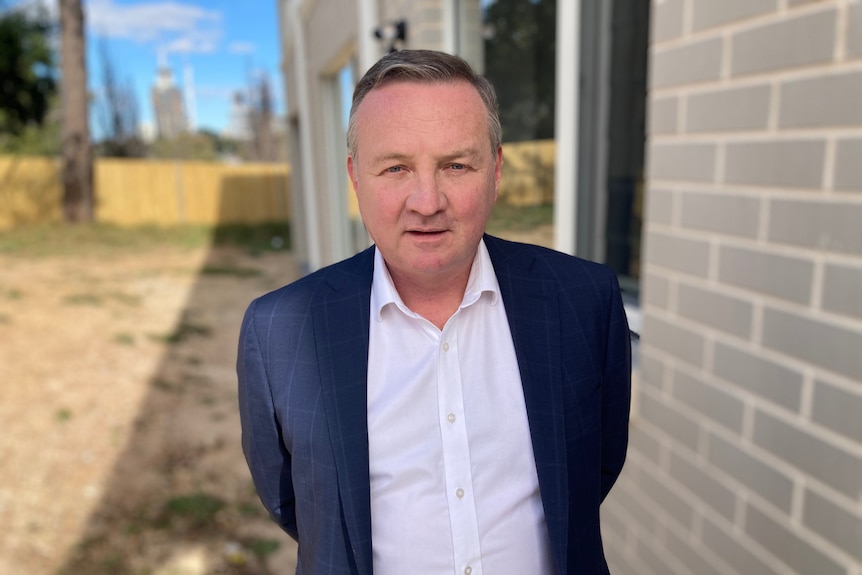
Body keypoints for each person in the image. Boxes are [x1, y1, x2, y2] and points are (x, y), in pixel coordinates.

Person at [238, 49, 631, 575]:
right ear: (356, 178)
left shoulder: (585, 299)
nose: (427, 201)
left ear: (496, 171)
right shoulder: (279, 330)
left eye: (456, 165)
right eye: (396, 167)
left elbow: (592, 472)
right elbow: (296, 506)